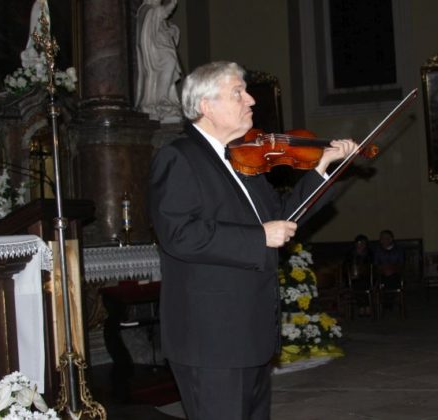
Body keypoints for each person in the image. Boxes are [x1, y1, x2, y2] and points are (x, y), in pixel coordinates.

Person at [147, 61, 356, 419]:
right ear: (206, 106)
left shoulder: (242, 160)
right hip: (212, 339)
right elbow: (178, 234)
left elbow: (283, 217)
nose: (251, 100)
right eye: (237, 93)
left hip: (250, 333)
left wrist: (322, 167)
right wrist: (259, 236)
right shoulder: (178, 156)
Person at [135, 0, 182, 122]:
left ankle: (163, 98)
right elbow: (163, 12)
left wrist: (172, 30)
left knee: (170, 62)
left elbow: (164, 23)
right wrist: (173, 3)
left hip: (162, 46)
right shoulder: (147, 10)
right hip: (154, 51)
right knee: (169, 62)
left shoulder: (154, 10)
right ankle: (160, 99)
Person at [343, 234, 374, 316]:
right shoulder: (350, 254)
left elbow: (372, 267)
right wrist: (350, 275)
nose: (361, 245)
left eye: (363, 243)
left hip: (367, 278)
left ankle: (366, 307)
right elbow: (345, 267)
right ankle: (363, 307)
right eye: (359, 243)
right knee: (357, 285)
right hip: (353, 278)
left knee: (364, 285)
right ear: (355, 244)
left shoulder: (370, 254)